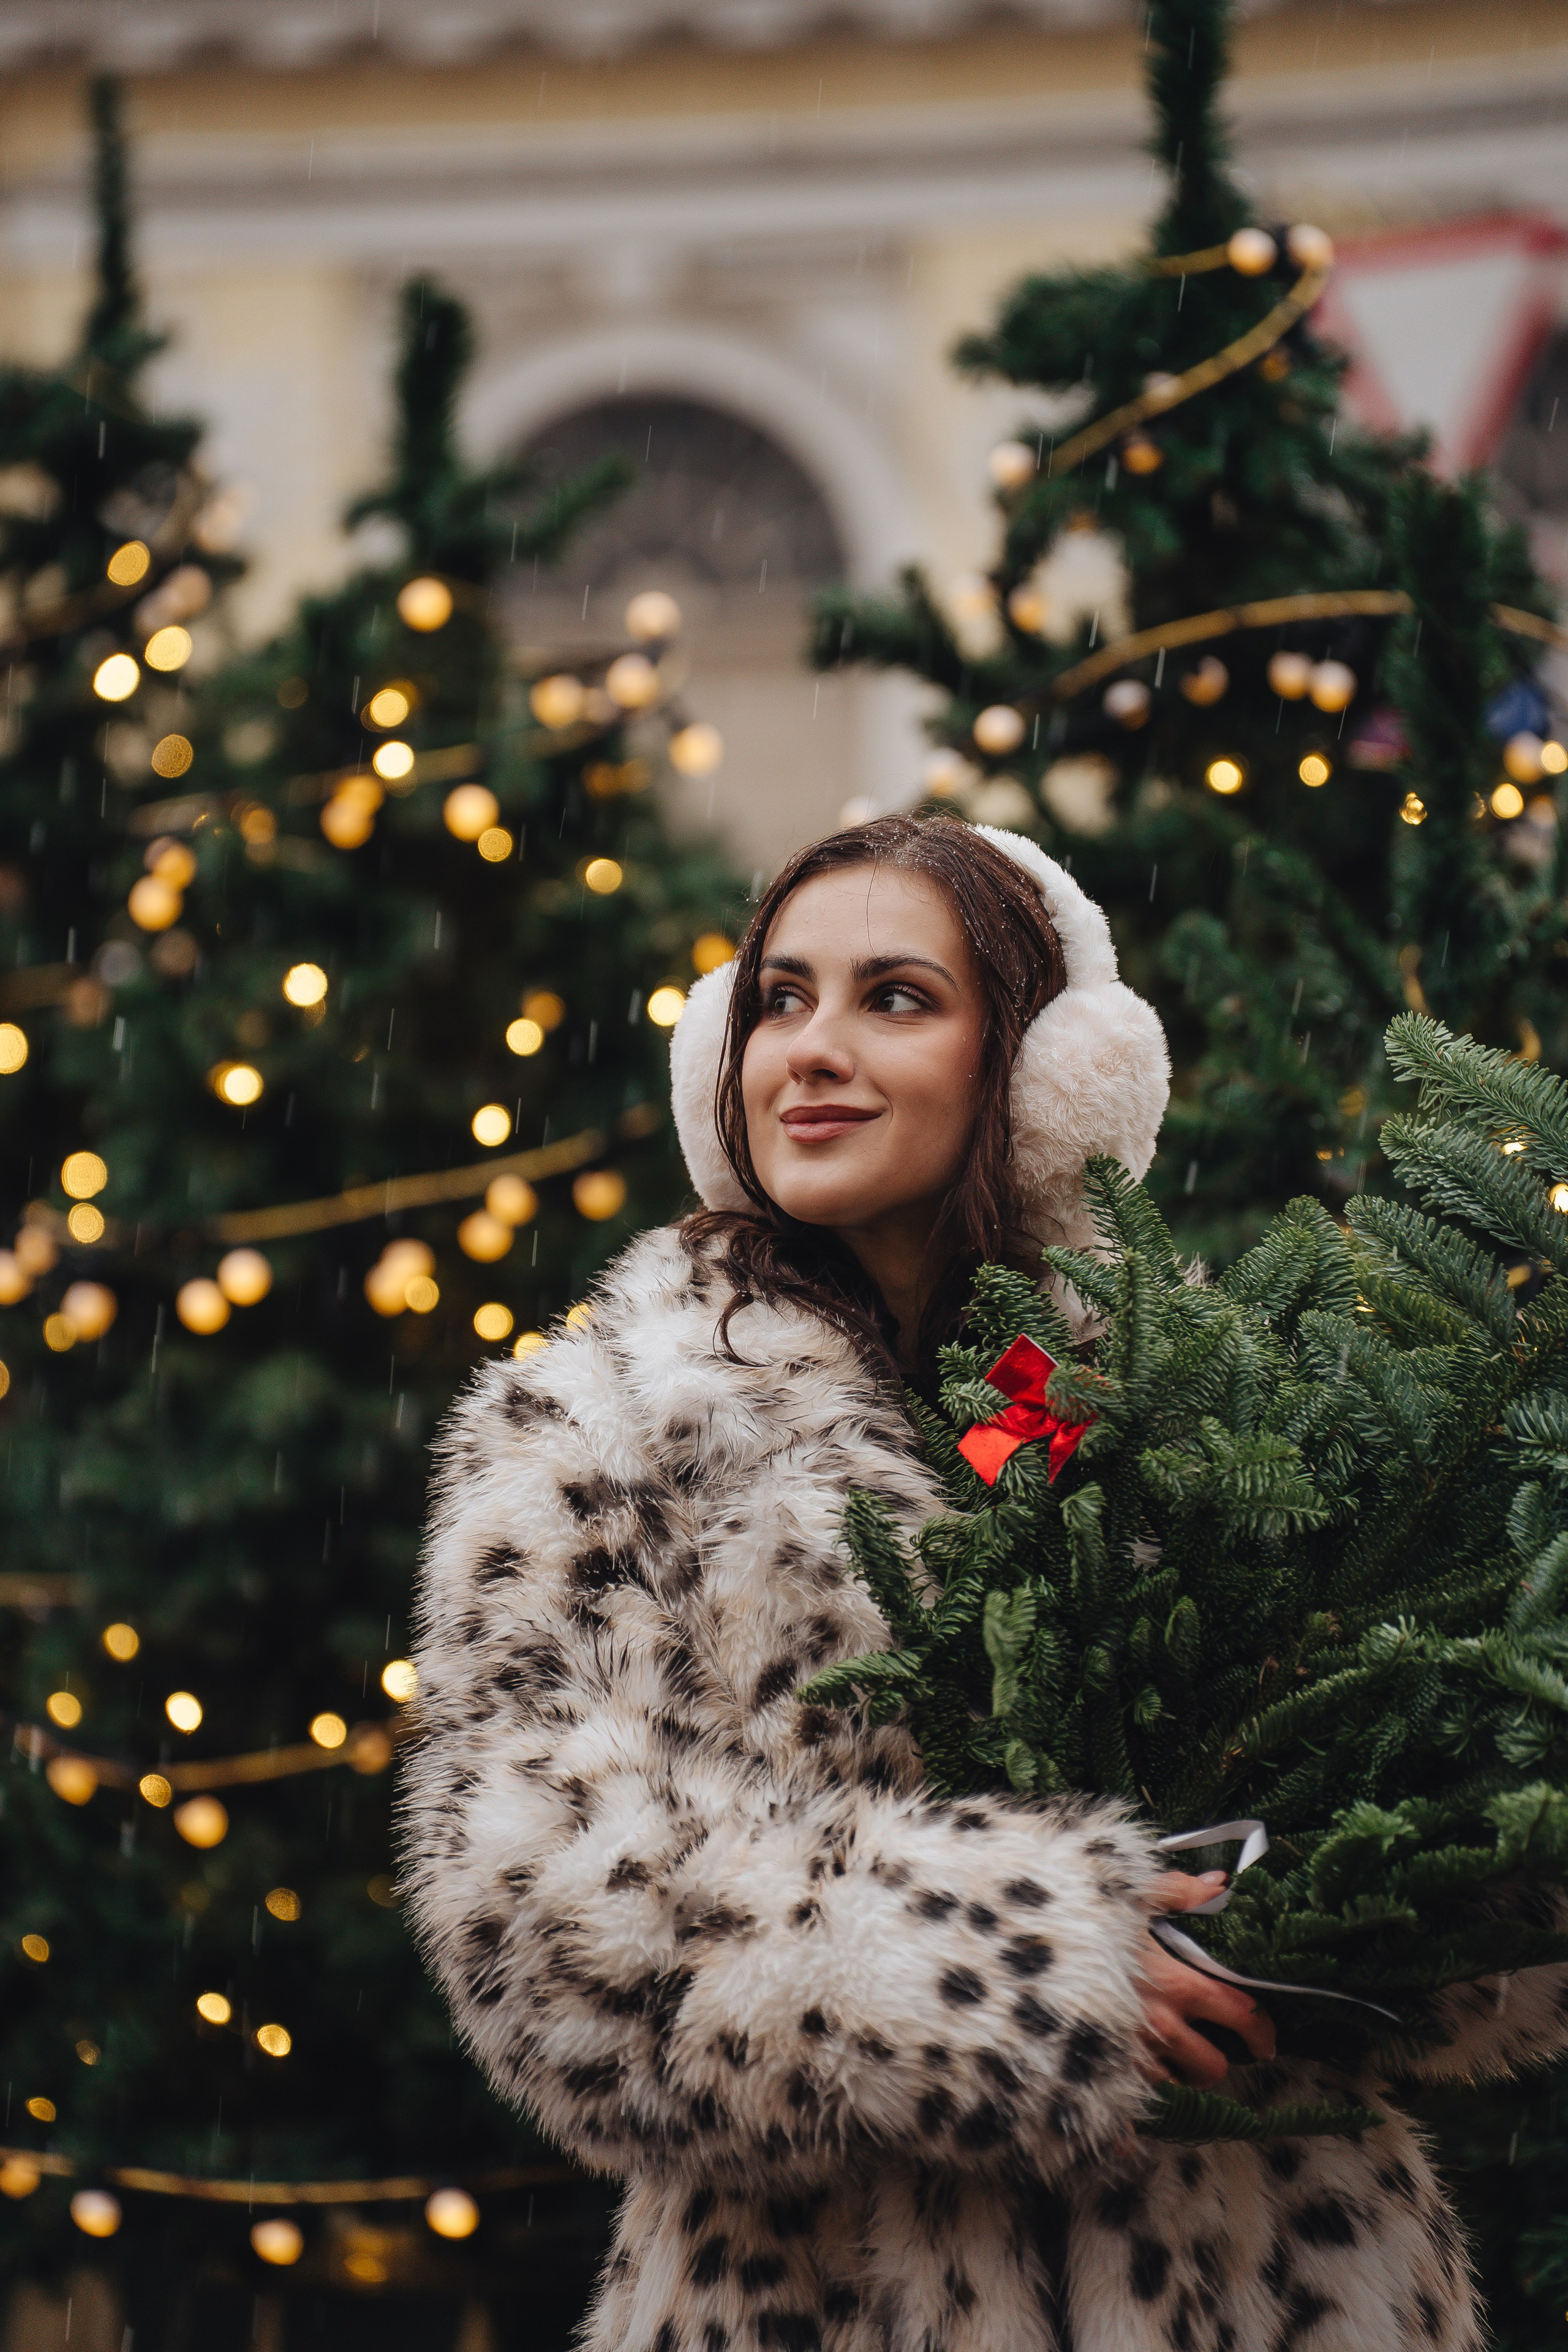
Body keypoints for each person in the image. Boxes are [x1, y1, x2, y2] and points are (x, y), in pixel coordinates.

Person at [404, 816, 1559, 2352]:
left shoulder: (1197, 1396)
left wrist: (1355, 1909)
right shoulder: (595, 1432)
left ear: (1041, 1069)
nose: (812, 1050)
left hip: (1277, 2286)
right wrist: (1027, 1963)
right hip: (821, 2300)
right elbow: (544, 1933)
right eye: (778, 1000)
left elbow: (1467, 1863)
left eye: (894, 997)